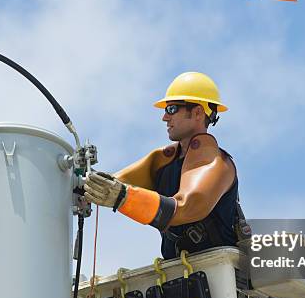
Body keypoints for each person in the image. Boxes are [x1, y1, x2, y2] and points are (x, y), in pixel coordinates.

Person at [84, 72, 247, 259]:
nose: (164, 117)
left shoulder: (217, 164)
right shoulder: (165, 159)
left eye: (171, 109)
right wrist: (82, 184)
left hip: (219, 275)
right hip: (180, 273)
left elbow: (185, 207)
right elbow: (111, 182)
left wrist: (122, 197)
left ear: (198, 112)